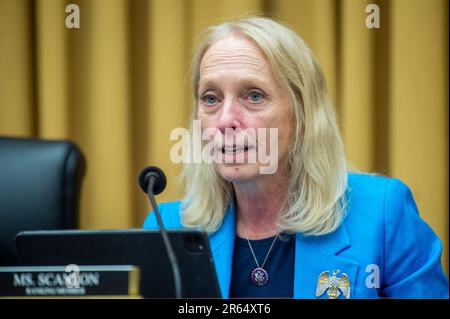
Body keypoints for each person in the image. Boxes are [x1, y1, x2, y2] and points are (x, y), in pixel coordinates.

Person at [143, 16, 448, 298]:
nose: (225, 120)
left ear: (303, 113)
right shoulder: (166, 228)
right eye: (211, 98)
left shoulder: (382, 215)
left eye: (254, 95)